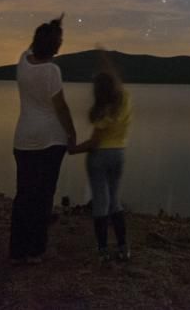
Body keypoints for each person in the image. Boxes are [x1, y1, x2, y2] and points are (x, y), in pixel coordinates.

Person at [9, 14, 76, 264]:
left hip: (23, 138)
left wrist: (52, 26)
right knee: (44, 195)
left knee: (24, 195)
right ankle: (36, 251)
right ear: (54, 46)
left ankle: (17, 250)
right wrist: (72, 133)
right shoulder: (52, 71)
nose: (61, 45)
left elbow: (32, 45)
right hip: (50, 140)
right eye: (59, 41)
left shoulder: (22, 62)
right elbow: (61, 107)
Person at [70, 55, 132, 263]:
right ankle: (123, 247)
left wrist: (73, 149)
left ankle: (103, 250)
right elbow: (116, 79)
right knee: (115, 200)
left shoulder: (103, 113)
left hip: (100, 157)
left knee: (101, 202)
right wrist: (105, 58)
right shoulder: (125, 99)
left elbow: (94, 142)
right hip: (119, 154)